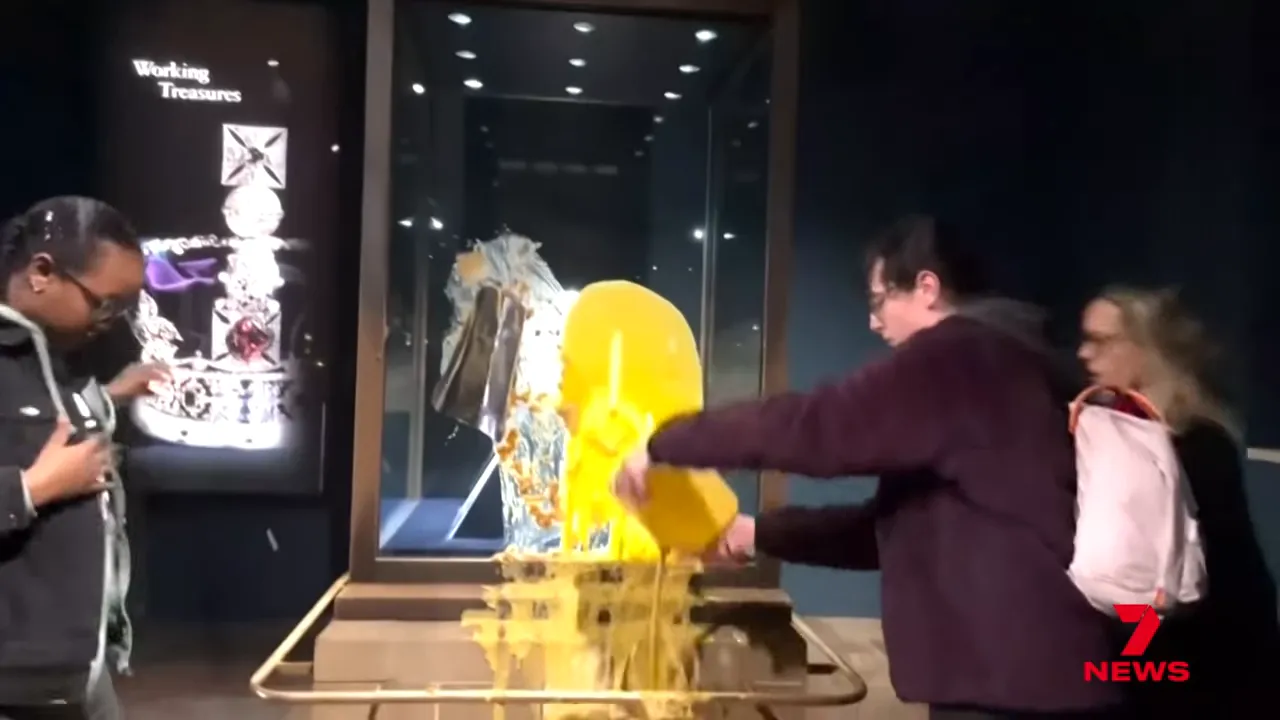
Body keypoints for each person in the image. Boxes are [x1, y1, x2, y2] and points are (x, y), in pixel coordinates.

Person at [614, 215, 1123, 719]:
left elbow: (815, 427)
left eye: (879, 301)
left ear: (927, 288)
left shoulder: (959, 357)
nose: (873, 323)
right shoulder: (1010, 364)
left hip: (1013, 683)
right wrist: (757, 533)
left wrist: (664, 442)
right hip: (1038, 674)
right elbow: (884, 532)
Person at [0, 196, 167, 719]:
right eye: (103, 302)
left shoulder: (43, 359)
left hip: (72, 675)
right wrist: (34, 488)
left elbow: (43, 421)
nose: (110, 321)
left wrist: (113, 395)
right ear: (42, 273)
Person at [1079, 287, 1280, 718]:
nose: (1083, 353)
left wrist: (1130, 659)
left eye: (1100, 341)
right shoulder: (1122, 436)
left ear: (1145, 349)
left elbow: (1179, 578)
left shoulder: (1195, 445)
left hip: (1209, 669)